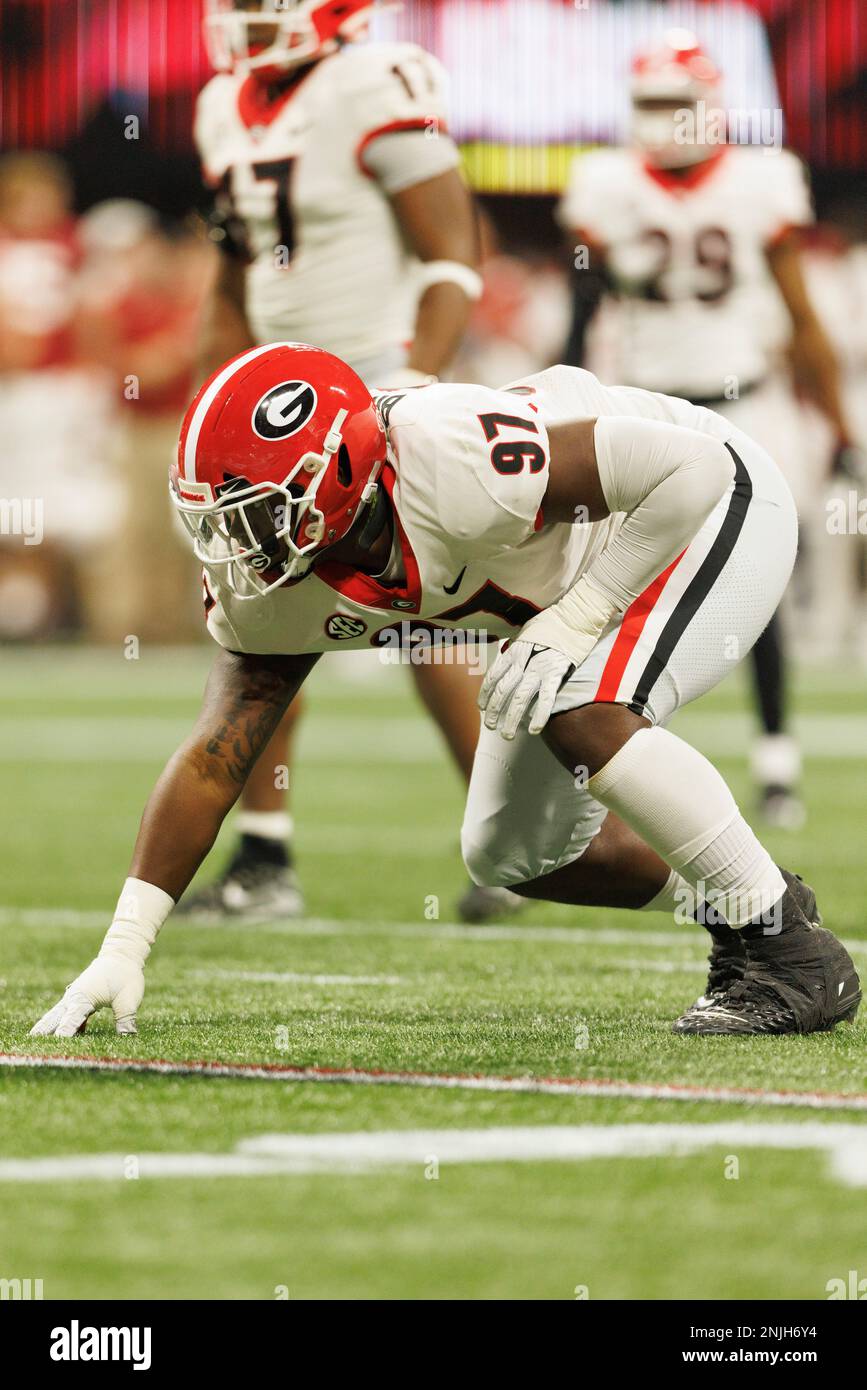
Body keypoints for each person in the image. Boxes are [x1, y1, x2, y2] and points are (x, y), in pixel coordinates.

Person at [31, 342, 861, 1040]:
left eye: (258, 512)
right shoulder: (274, 579)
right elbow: (216, 756)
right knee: (516, 855)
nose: (241, 543)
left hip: (706, 509)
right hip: (583, 579)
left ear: (340, 474)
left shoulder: (448, 457)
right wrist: (125, 945)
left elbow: (689, 471)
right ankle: (750, 902)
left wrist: (580, 620)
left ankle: (792, 956)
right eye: (224, 517)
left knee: (578, 704)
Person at [182, 0, 514, 923]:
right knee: (254, 623)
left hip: (376, 385)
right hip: (274, 415)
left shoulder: (374, 79)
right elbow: (233, 267)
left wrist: (411, 385)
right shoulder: (221, 104)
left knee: (430, 620)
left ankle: (504, 844)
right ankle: (264, 860)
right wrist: (218, 390)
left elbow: (454, 254)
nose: (245, 18)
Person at [558, 31, 860, 828]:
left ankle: (775, 764)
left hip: (742, 407)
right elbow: (580, 314)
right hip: (643, 408)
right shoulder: (606, 183)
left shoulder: (760, 182)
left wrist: (838, 426)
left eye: (674, 106)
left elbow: (799, 317)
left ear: (710, 110)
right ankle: (612, 751)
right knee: (602, 582)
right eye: (649, 105)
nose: (660, 122)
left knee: (753, 582)